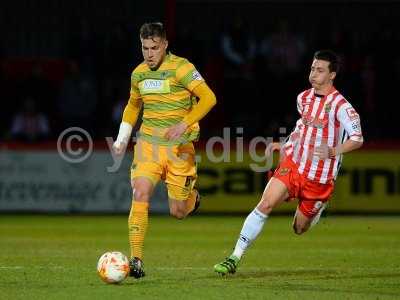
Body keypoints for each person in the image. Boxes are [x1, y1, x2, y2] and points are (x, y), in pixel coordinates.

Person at [214, 50, 363, 275]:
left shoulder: (342, 106)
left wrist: (334, 150)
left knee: (299, 228)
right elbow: (302, 128)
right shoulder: (303, 98)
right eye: (313, 68)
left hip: (319, 178)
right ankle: (234, 256)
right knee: (265, 204)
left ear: (332, 75)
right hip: (295, 164)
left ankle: (318, 209)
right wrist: (284, 145)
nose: (314, 74)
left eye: (320, 70)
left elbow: (357, 139)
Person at [112, 22, 216, 279]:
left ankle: (193, 199)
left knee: (178, 212)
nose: (149, 54)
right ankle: (136, 259)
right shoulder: (139, 74)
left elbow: (209, 98)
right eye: (145, 48)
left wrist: (185, 123)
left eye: (154, 48)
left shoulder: (182, 68)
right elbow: (133, 105)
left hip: (179, 149)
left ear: (165, 45)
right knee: (140, 192)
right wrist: (123, 136)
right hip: (148, 146)